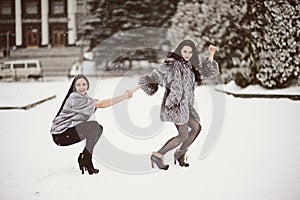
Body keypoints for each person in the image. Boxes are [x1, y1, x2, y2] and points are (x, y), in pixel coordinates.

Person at [131, 39, 219, 170]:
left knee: (196, 128)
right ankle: (158, 155)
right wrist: (134, 89)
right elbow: (154, 77)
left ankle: (180, 153)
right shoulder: (171, 64)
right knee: (183, 135)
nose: (187, 54)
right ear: (179, 50)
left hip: (186, 106)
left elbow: (206, 72)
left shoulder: (190, 66)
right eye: (185, 51)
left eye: (190, 52)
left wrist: (211, 55)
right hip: (175, 105)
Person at [50, 74, 132, 175]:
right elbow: (101, 104)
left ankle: (85, 158)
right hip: (61, 135)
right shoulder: (75, 98)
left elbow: (96, 103)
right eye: (78, 85)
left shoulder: (83, 98)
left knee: (97, 128)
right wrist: (123, 97)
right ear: (74, 87)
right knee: (94, 127)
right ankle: (86, 159)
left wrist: (123, 96)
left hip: (65, 133)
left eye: (84, 84)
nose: (81, 87)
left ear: (87, 86)